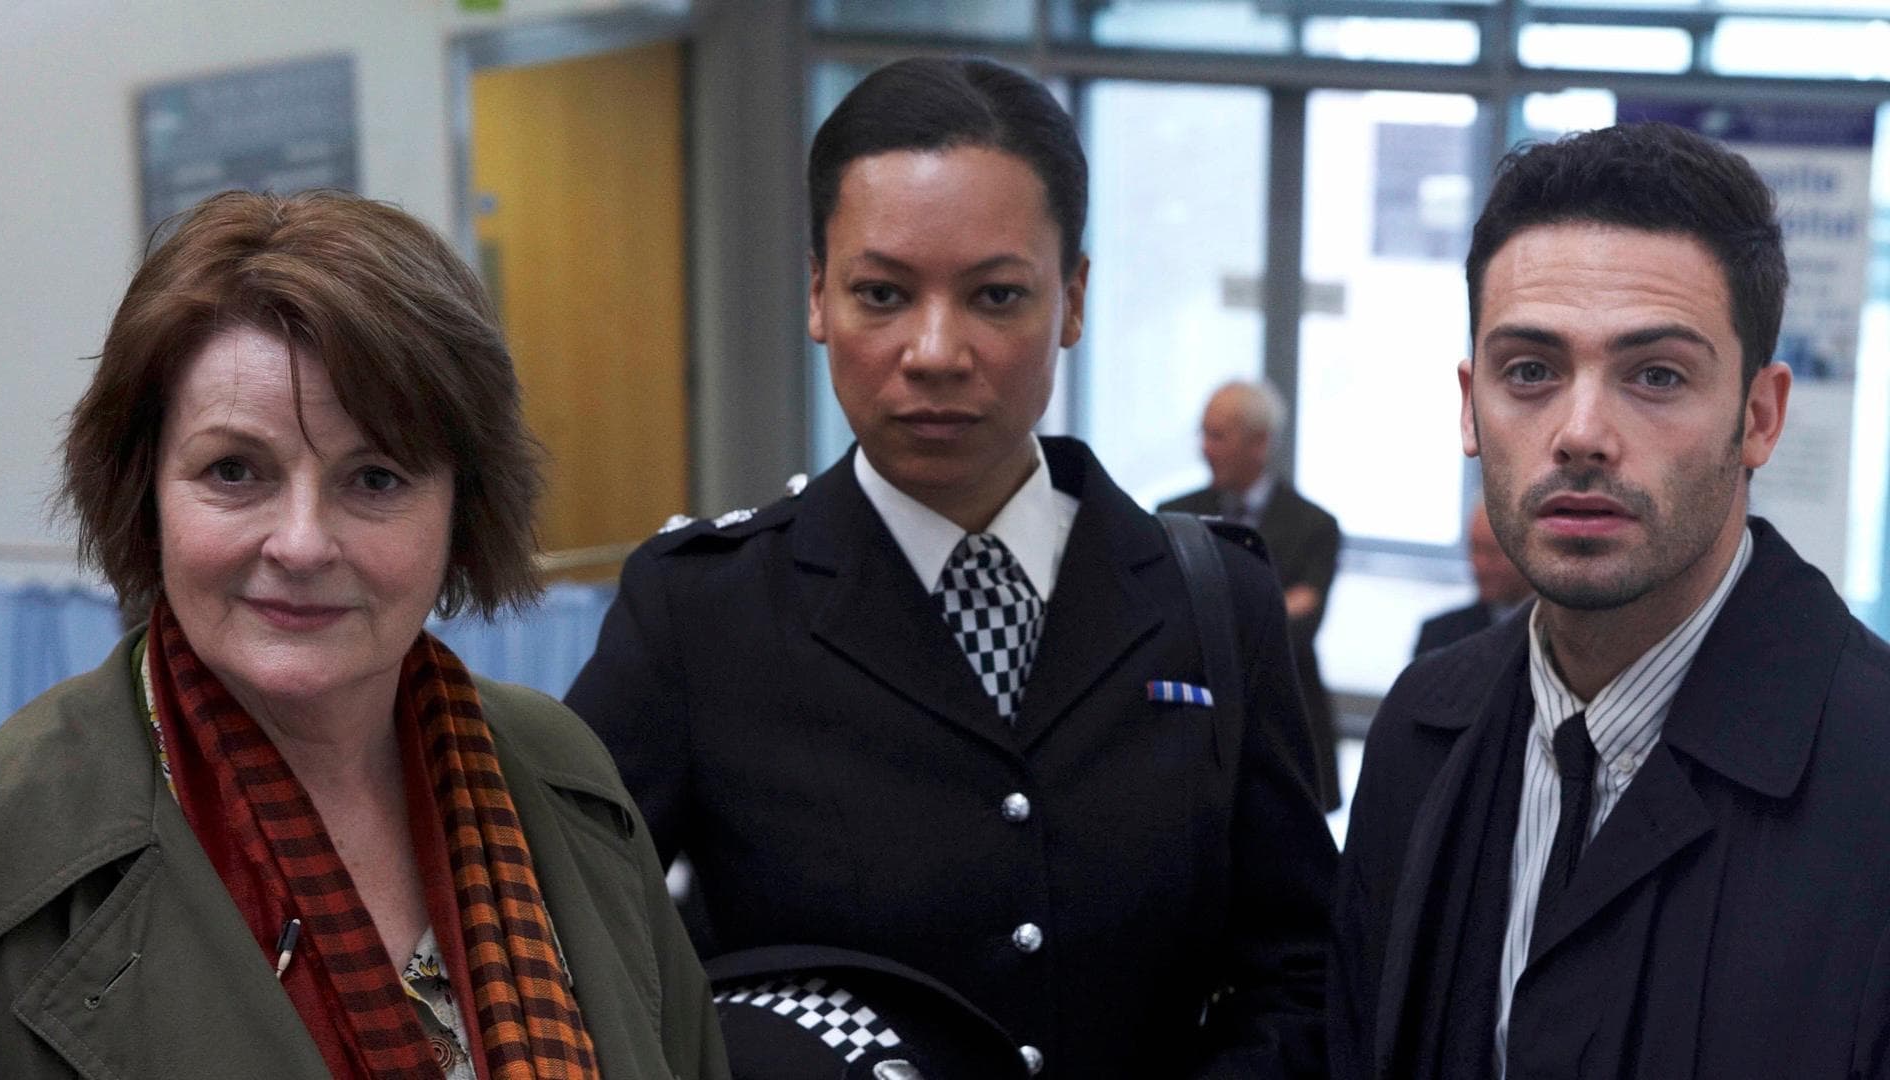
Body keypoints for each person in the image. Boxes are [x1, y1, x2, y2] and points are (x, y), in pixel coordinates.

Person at [566, 58, 1336, 1079]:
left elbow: (1301, 972)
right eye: (882, 293)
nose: (934, 351)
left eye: (996, 295)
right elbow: (569, 949)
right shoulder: (703, 611)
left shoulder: (1210, 601)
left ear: (1073, 300)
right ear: (817, 295)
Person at [0, 191, 725, 1079]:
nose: (301, 544)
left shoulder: (564, 774)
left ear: (462, 510)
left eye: (374, 479)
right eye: (234, 470)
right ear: (146, 495)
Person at [1328, 122, 1890, 1080]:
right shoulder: (1423, 729)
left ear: (1760, 417)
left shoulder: (1871, 773)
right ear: (1470, 405)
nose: (1581, 432)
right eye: (1530, 371)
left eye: (1656, 375)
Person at [1160, 380, 1344, 809]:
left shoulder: (1314, 526)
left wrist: (1208, 613)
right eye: (1203, 433)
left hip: (1287, 726)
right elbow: (1165, 617)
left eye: (1218, 436)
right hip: (1196, 731)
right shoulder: (1174, 516)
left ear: (1259, 443)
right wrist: (1276, 604)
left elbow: (1301, 630)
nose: (1205, 448)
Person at [1412, 500, 1532, 657]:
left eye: (1492, 552)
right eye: (1474, 548)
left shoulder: (1557, 635)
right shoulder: (1439, 635)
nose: (1479, 564)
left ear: (1529, 553)